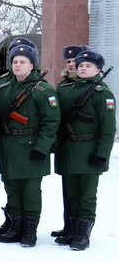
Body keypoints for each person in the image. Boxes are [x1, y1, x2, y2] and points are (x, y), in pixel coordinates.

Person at [0, 44, 58, 247]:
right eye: (14, 61)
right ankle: (15, 227)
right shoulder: (4, 87)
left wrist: (42, 149)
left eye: (23, 61)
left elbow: (51, 122)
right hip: (9, 146)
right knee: (12, 188)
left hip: (31, 147)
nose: (18, 65)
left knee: (30, 191)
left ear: (32, 65)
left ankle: (29, 231)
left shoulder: (43, 90)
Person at [53, 49, 113, 251]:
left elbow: (108, 129)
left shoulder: (103, 94)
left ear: (98, 70)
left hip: (89, 152)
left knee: (86, 195)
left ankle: (82, 234)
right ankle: (72, 229)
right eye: (80, 66)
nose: (83, 69)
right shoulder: (66, 89)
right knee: (72, 194)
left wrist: (101, 154)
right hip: (69, 149)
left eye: (88, 66)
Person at [50, 44, 88, 241]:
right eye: (68, 62)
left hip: (85, 147)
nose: (72, 65)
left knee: (85, 193)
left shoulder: (94, 88)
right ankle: (69, 226)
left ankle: (81, 233)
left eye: (75, 61)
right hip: (66, 146)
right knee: (68, 190)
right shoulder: (62, 87)